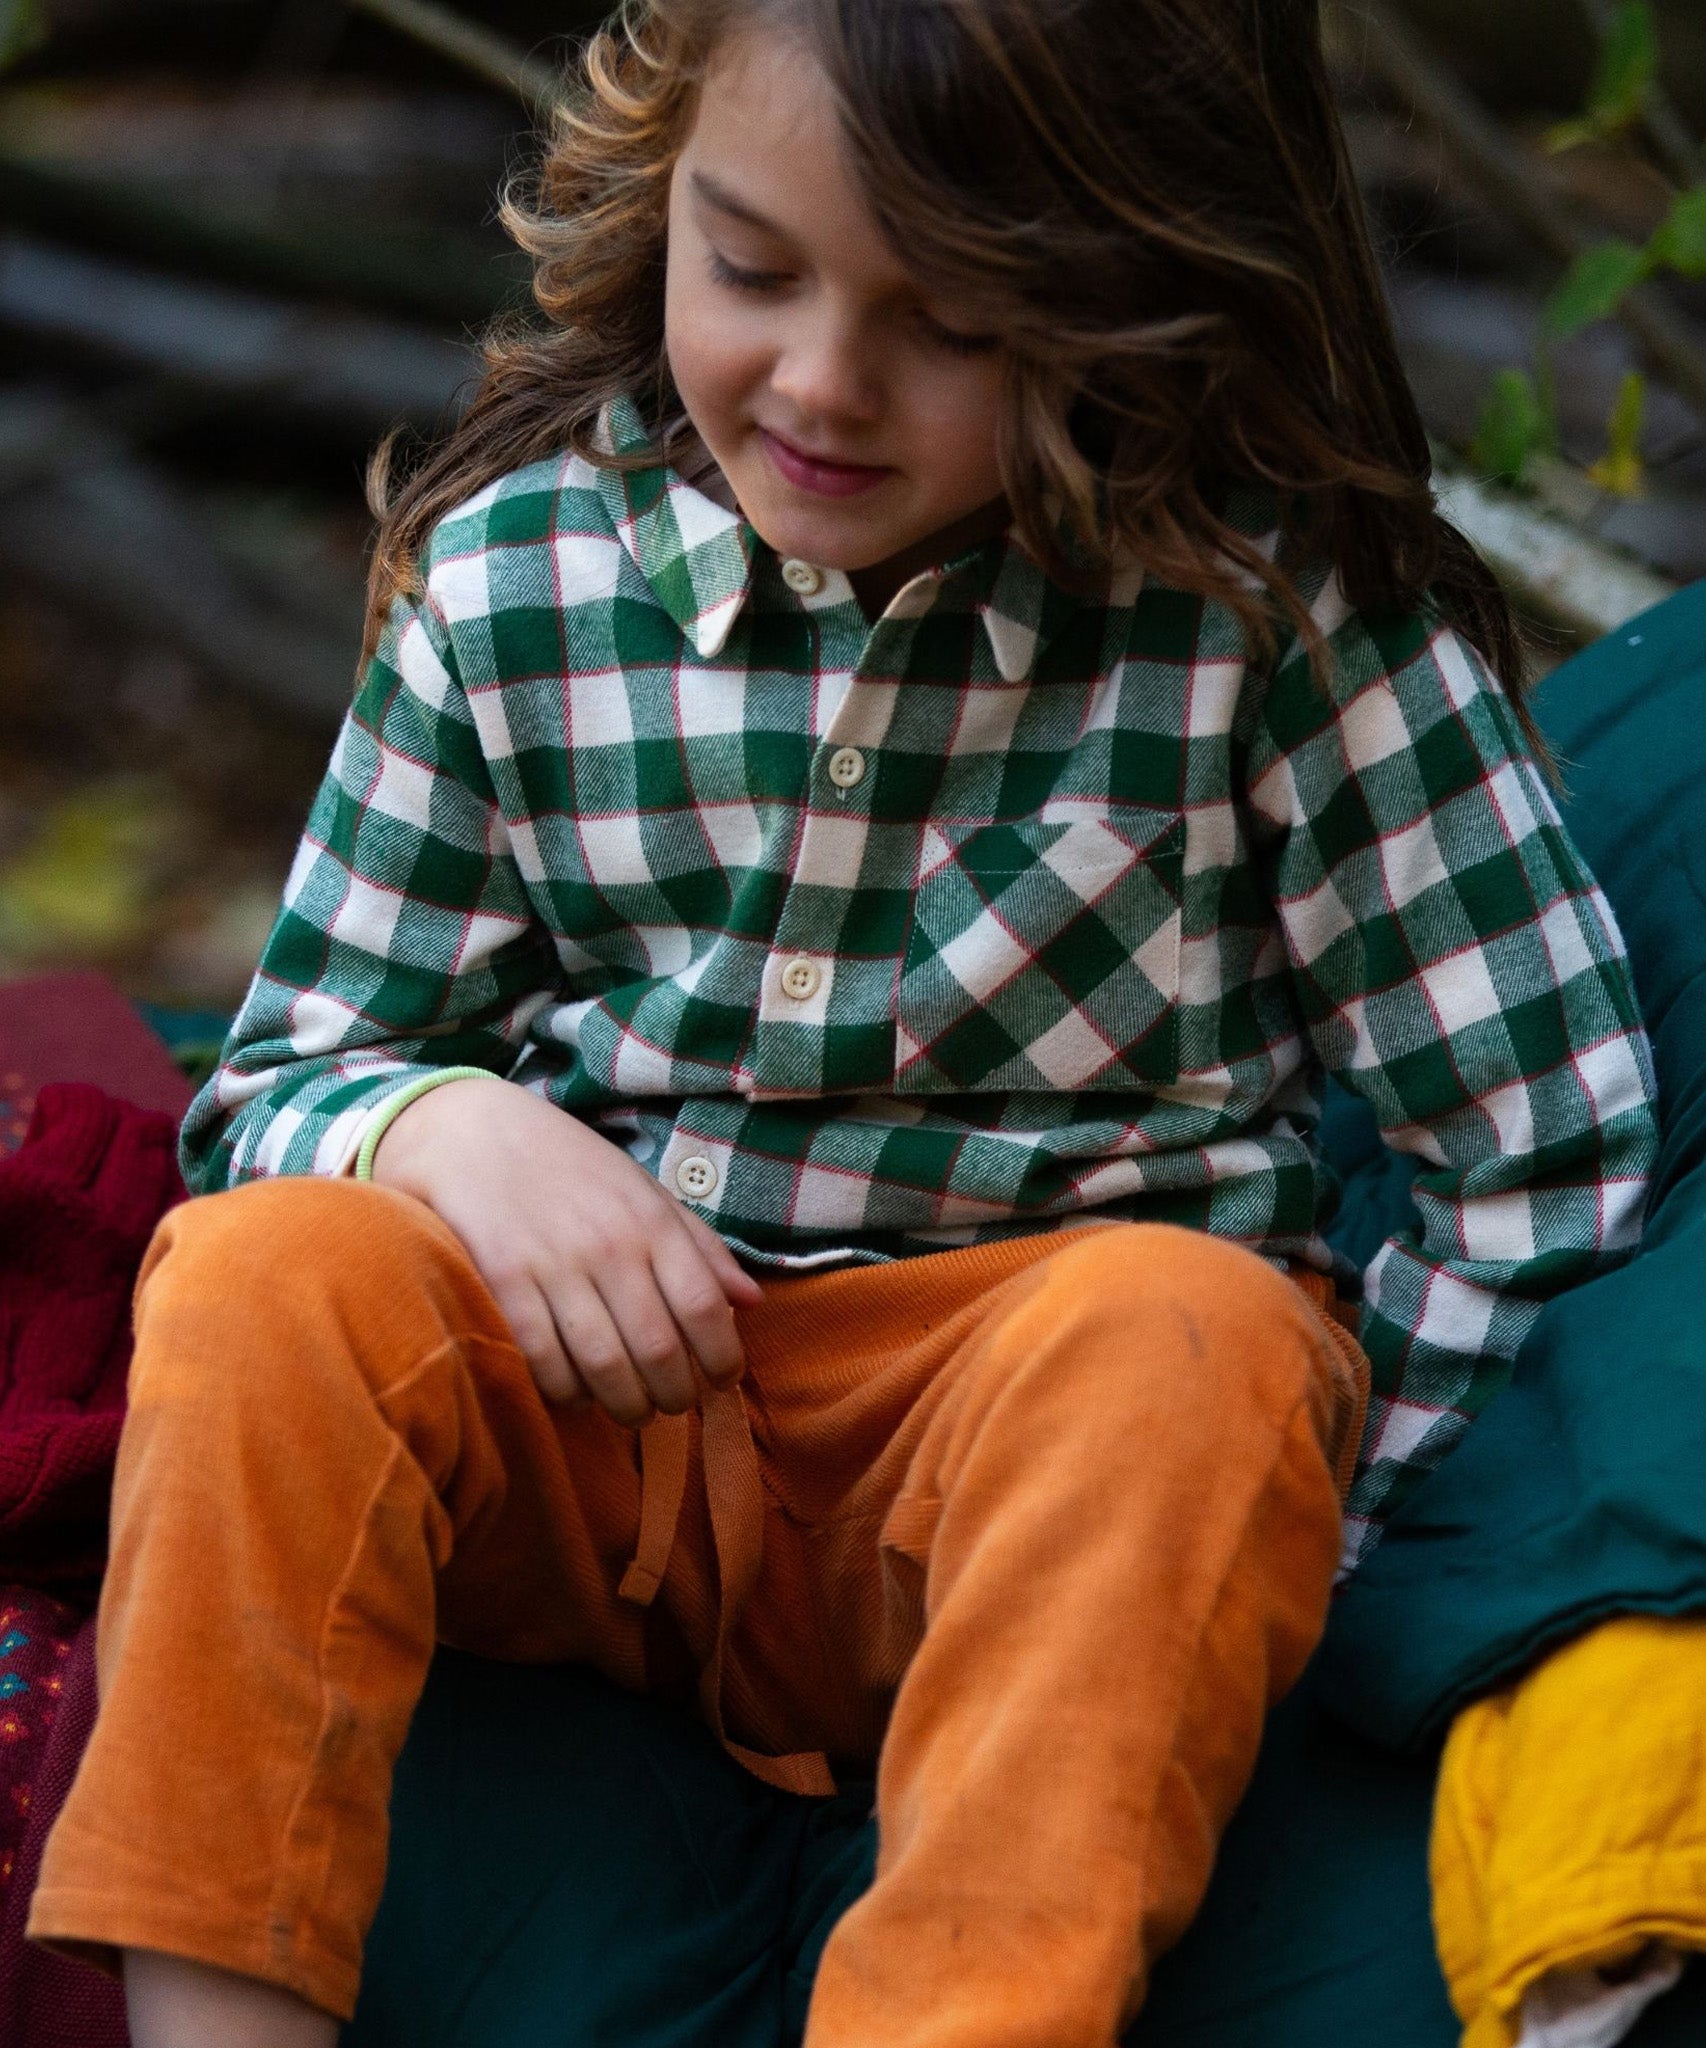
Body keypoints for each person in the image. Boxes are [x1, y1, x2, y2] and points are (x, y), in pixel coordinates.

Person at [29, 0, 1660, 2042]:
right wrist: (443, 1129)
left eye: (952, 322)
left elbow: (1537, 1137)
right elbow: (279, 1073)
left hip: (1029, 1450)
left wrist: (1311, 1516)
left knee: (1199, 1340)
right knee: (265, 1277)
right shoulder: (514, 579)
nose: (818, 379)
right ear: (659, 195)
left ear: (1130, 299)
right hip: (603, 1424)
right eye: (750, 265)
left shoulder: (1270, 615)